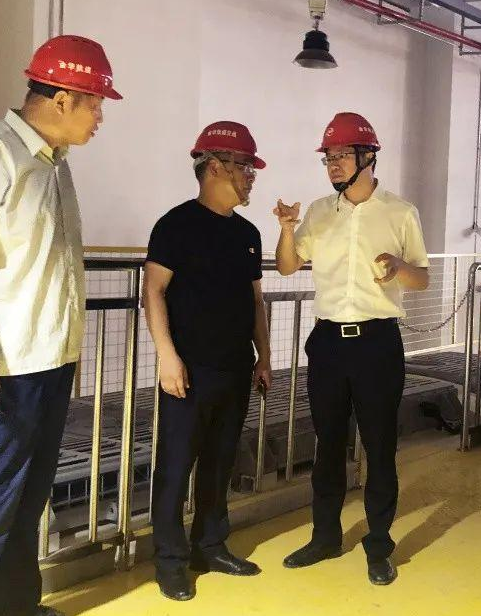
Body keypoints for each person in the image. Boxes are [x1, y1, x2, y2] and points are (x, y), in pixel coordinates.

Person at [0, 35, 121, 616]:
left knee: (29, 495)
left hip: (50, 360)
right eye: (95, 103)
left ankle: (17, 607)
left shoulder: (55, 167)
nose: (100, 117)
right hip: (4, 364)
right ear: (62, 99)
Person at [273, 112, 429, 586]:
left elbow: (422, 278)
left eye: (342, 155)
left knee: (380, 447)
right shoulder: (320, 211)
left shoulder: (400, 212)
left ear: (368, 157)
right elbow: (286, 266)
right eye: (328, 158)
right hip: (327, 343)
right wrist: (287, 228)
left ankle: (378, 546)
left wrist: (399, 266)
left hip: (377, 342)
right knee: (328, 445)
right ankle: (325, 537)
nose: (333, 165)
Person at [143, 121, 272, 601]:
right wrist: (167, 356)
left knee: (220, 462)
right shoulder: (175, 225)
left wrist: (264, 355)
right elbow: (153, 292)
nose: (251, 177)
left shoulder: (248, 233)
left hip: (236, 367)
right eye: (245, 167)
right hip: (189, 370)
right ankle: (170, 561)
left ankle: (211, 546)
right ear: (215, 167)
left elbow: (254, 300)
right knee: (176, 468)